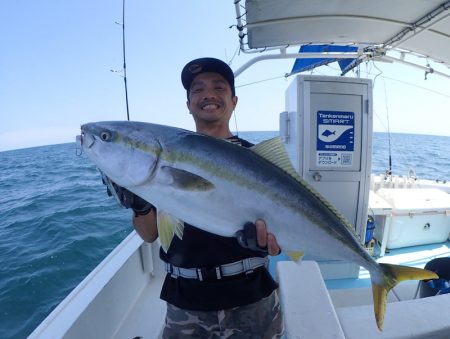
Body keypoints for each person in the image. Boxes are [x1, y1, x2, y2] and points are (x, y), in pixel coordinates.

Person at [110, 57, 284, 338]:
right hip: (186, 301)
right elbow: (150, 234)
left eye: (219, 87)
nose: (208, 94)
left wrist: (270, 246)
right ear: (189, 104)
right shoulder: (161, 160)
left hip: (252, 296)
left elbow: (280, 243)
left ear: (234, 100)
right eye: (197, 89)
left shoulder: (259, 160)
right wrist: (140, 206)